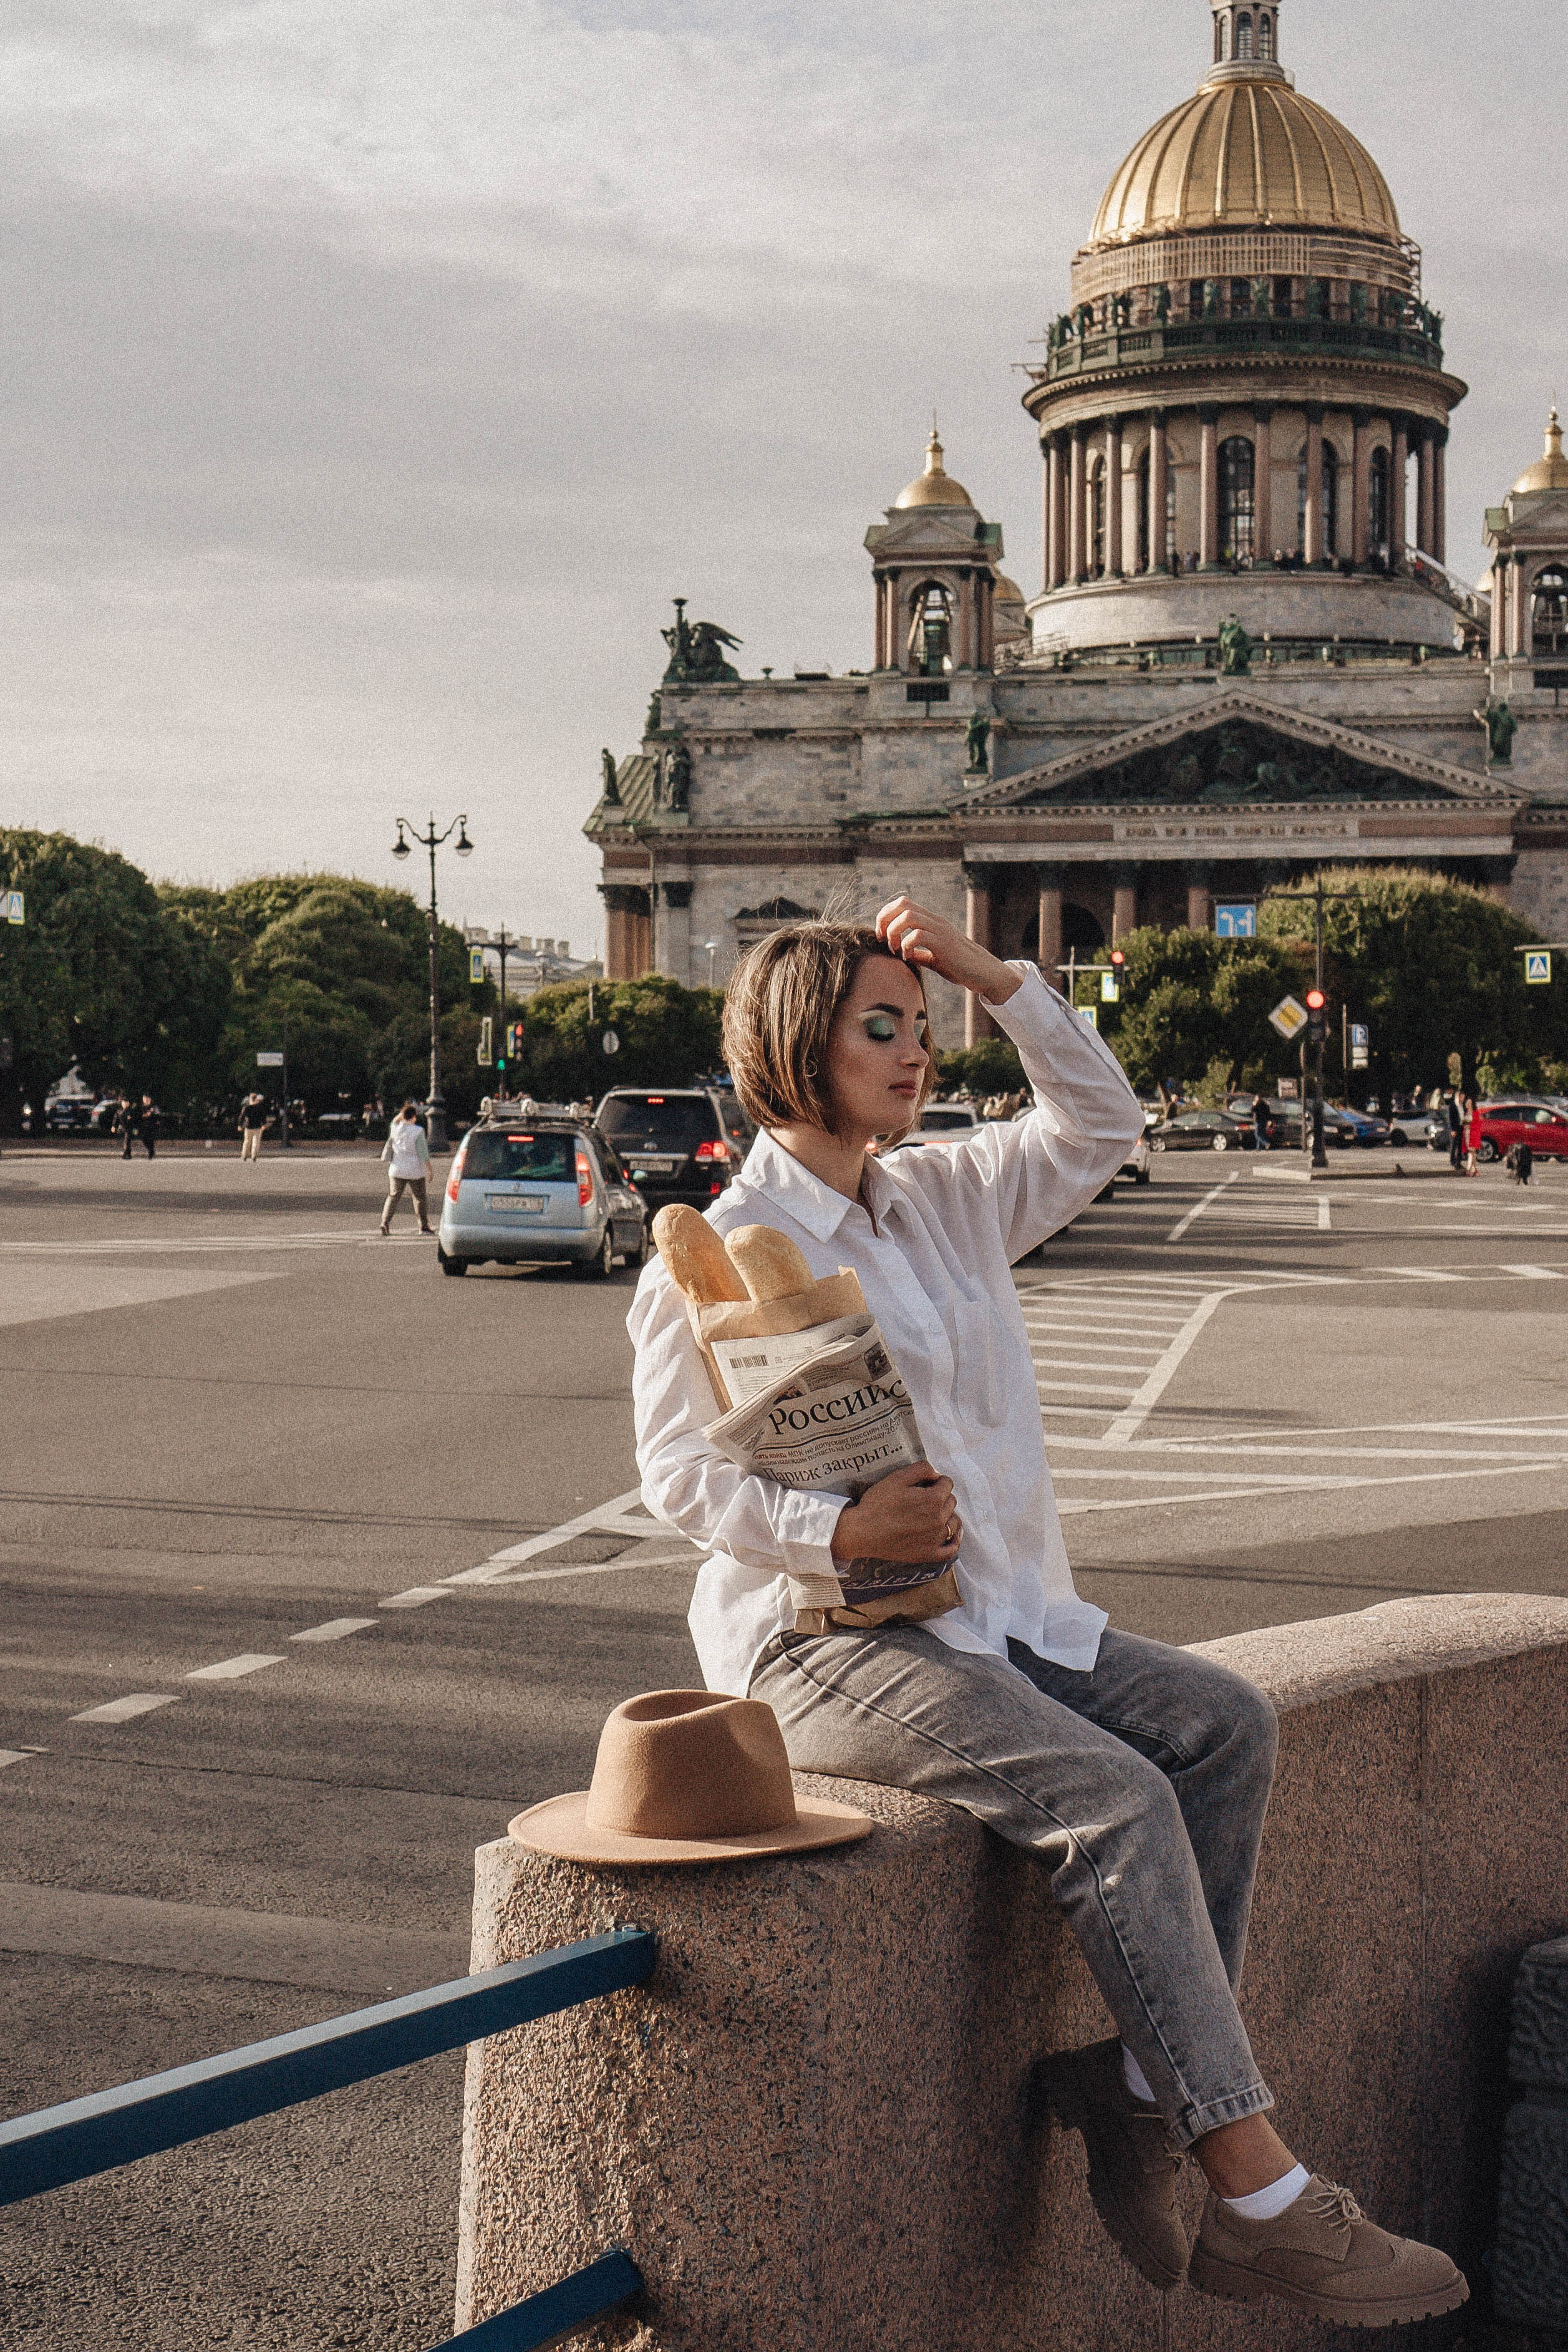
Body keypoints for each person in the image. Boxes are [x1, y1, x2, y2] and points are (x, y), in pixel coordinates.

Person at [629, 901, 1466, 2328]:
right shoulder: (721, 1241)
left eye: (920, 1019)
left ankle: (1133, 2092)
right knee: (1114, 1792)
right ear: (793, 1045)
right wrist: (837, 1527)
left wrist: (997, 977)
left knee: (1222, 1724)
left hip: (1001, 1612)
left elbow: (1099, 1121)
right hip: (825, 1640)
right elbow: (672, 1473)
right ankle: (1260, 2192)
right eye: (879, 1024)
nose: (915, 1046)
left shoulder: (945, 1191)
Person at [380, 1101, 434, 1235]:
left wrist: (402, 1114)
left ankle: (385, 1223)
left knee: (393, 1197)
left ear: (403, 1116)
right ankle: (424, 1227)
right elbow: (423, 1153)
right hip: (415, 1170)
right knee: (419, 1198)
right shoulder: (417, 1131)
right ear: (414, 1117)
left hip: (396, 1169)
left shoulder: (395, 1128)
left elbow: (395, 1120)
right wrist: (429, 1170)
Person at [238, 1092, 269, 1161]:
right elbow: (263, 1117)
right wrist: (263, 1125)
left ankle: (244, 1156)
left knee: (247, 1142)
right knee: (256, 1143)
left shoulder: (246, 1108)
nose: (258, 1101)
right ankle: (254, 1156)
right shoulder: (260, 1108)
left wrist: (240, 1125)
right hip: (257, 1127)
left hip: (249, 1127)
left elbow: (242, 1117)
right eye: (257, 1099)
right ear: (255, 1100)